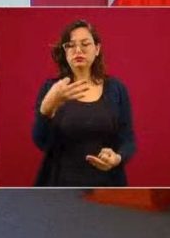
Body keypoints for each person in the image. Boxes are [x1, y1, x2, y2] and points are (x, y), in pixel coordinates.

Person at [32, 19, 136, 187]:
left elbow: (128, 141)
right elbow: (41, 141)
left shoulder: (116, 89)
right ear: (65, 52)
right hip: (61, 183)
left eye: (85, 44)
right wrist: (46, 109)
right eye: (71, 45)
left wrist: (118, 157)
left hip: (107, 184)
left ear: (97, 49)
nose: (78, 50)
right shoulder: (52, 89)